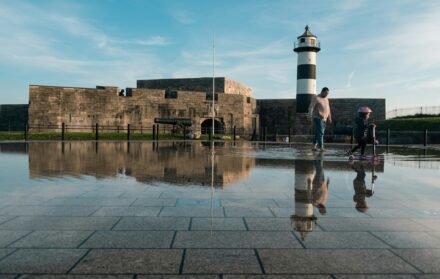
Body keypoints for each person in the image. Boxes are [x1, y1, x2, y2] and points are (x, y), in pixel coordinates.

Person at [308, 87, 332, 151]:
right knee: (321, 133)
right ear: (322, 92)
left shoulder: (326, 99)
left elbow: (328, 109)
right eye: (326, 93)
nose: (327, 95)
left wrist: (329, 117)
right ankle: (321, 147)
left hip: (325, 118)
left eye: (328, 94)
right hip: (318, 118)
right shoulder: (316, 98)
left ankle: (313, 146)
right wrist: (310, 116)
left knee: (318, 132)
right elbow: (311, 107)